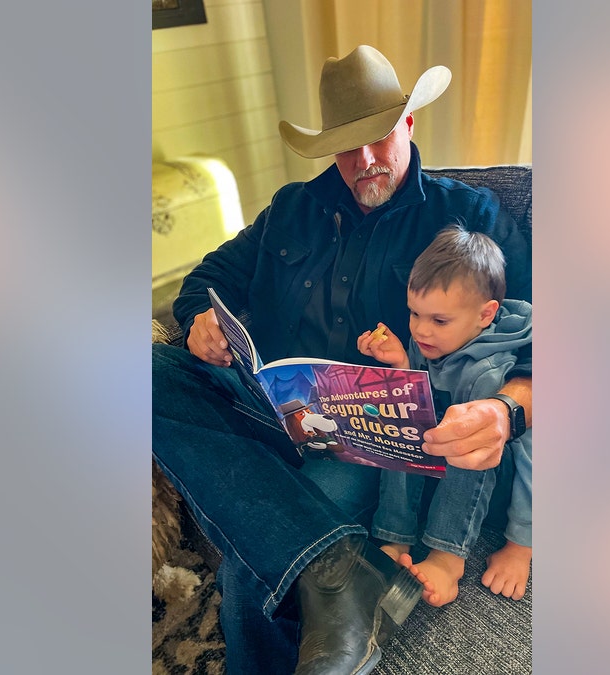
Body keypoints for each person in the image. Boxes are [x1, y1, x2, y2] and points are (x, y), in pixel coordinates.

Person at [152, 45, 533, 674]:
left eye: (380, 137)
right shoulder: (291, 209)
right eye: (348, 145)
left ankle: (322, 566)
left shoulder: (467, 216)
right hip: (269, 405)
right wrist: (199, 320)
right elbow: (208, 279)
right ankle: (336, 564)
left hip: (372, 441)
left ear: (408, 124)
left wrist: (507, 411)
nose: (366, 161)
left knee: (258, 561)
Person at [357, 224, 533, 606]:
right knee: (400, 423)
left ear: (486, 315)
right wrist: (401, 364)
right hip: (442, 460)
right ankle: (395, 535)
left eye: (438, 320)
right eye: (414, 313)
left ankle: (447, 556)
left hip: (502, 477)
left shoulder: (496, 374)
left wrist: (521, 546)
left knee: (466, 441)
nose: (421, 330)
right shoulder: (431, 340)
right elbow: (426, 402)